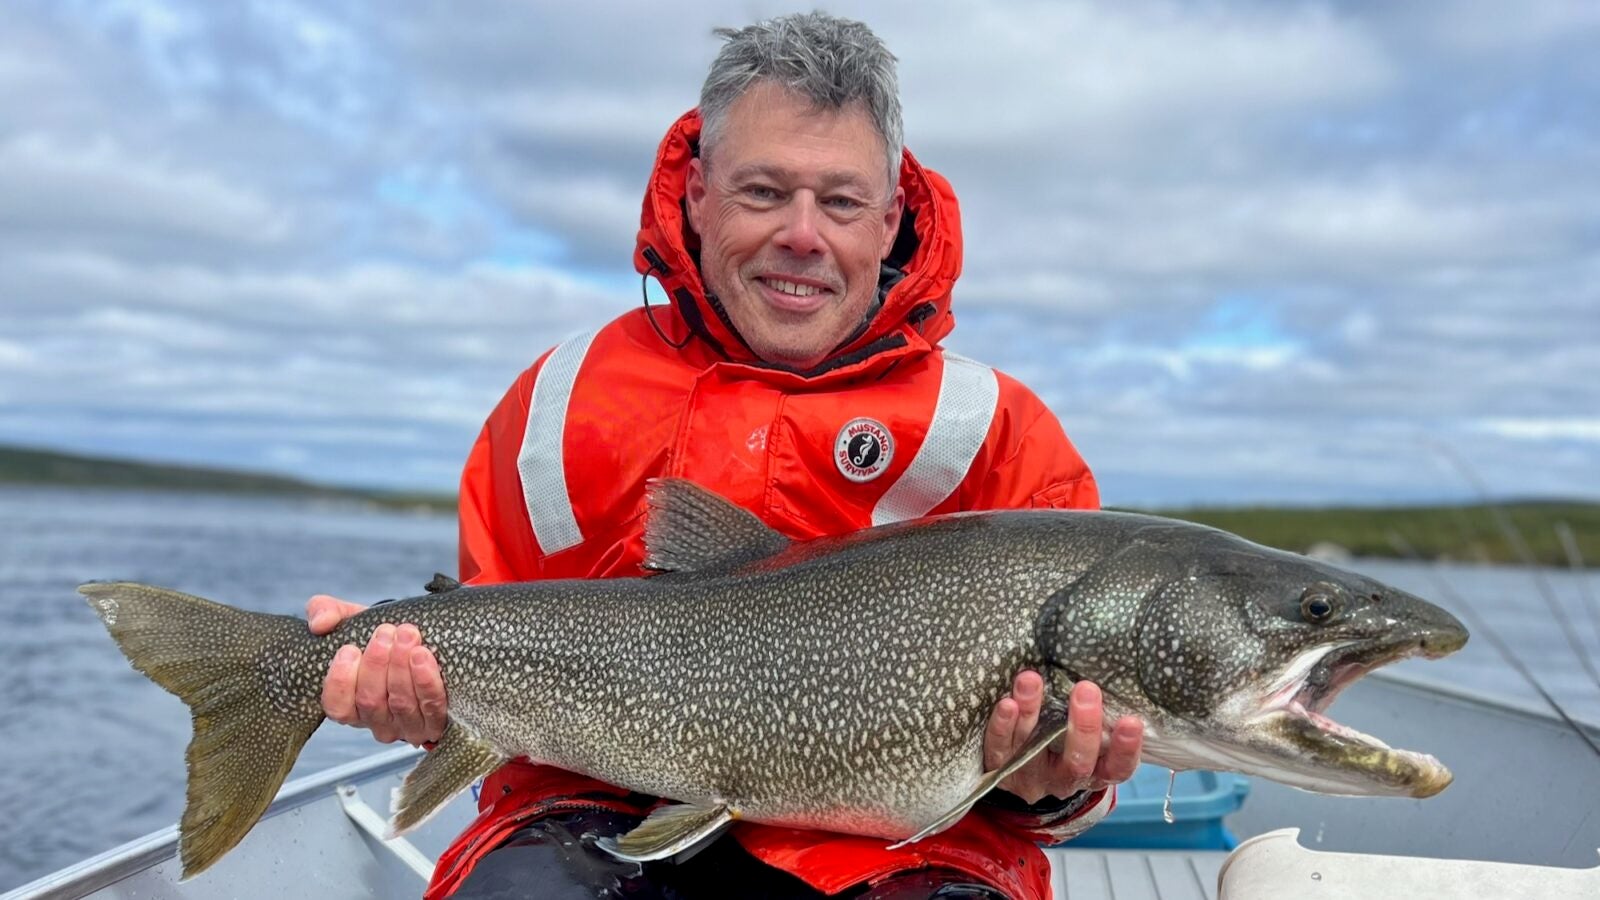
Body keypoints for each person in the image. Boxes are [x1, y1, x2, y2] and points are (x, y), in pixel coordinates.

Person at [308, 13, 1144, 899]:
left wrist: (1053, 785)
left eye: (842, 200)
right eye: (763, 192)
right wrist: (418, 698)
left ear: (892, 214)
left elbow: (1070, 780)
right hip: (585, 813)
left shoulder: (999, 434)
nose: (803, 234)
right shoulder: (560, 401)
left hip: (909, 853)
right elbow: (494, 640)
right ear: (698, 194)